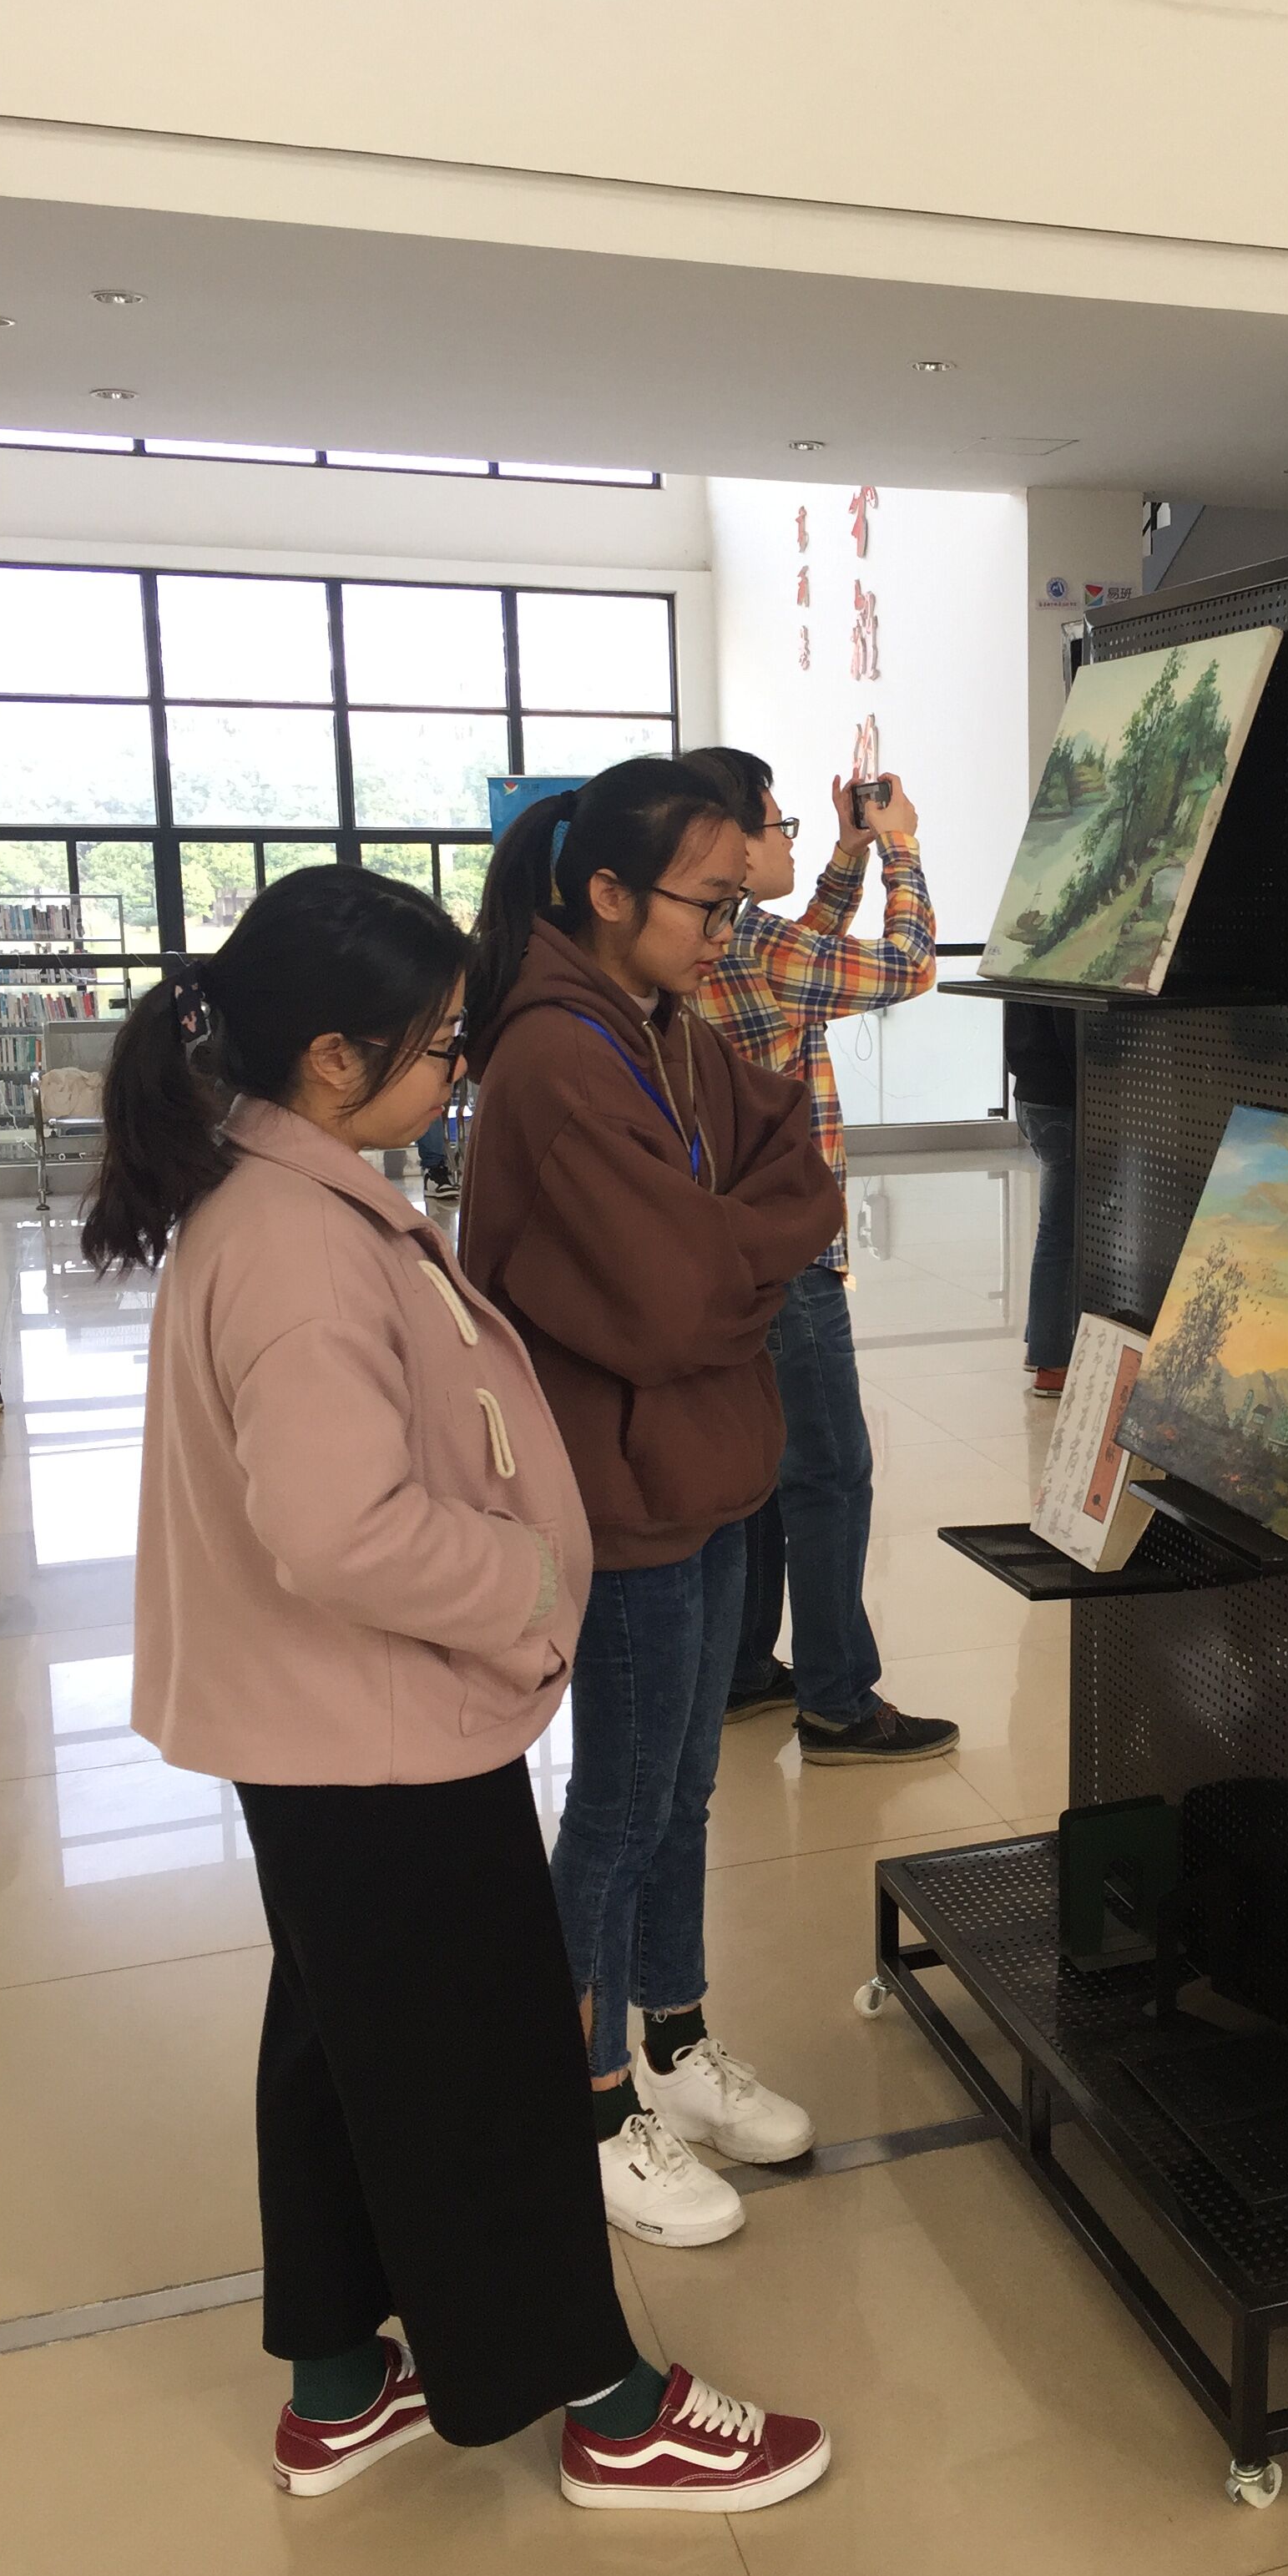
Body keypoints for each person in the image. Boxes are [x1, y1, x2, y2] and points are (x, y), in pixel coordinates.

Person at [81, 865, 826, 2514]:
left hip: (324, 1729)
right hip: (374, 1732)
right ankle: (603, 2401)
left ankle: (340, 2381)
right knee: (486, 2071)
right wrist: (530, 1587)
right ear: (332, 1060)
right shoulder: (294, 1241)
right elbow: (338, 1528)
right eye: (434, 1048)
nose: (459, 1072)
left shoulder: (281, 1186)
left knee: (343, 2044)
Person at [461, 760, 845, 2227]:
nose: (726, 933)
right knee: (620, 1806)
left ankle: (673, 2040)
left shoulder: (665, 1027)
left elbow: (797, 1162)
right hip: (620, 1491)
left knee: (686, 1789)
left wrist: (719, 1257)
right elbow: (678, 1297)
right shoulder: (556, 1059)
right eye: (709, 904)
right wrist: (732, 1267)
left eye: (737, 902)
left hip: (704, 1461)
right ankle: (585, 2092)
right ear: (608, 893)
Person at [688, 748, 958, 1765]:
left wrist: (844, 857)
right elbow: (910, 966)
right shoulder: (760, 949)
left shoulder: (714, 941)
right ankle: (841, 1702)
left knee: (760, 1468)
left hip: (721, 1247)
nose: (791, 840)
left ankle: (744, 1670)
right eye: (780, 826)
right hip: (788, 1255)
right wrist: (900, 848)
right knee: (832, 1473)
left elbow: (803, 946)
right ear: (728, 843)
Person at [1004, 1003, 1079, 1397]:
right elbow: (1071, 1032)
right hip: (1063, 1097)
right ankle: (1053, 1363)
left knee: (1054, 1227)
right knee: (1061, 1233)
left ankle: (1041, 1344)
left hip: (1031, 1095)